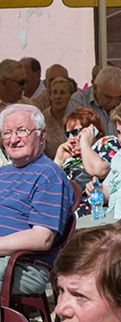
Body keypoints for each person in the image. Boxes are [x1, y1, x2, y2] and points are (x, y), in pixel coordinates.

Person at [0, 103, 74, 295]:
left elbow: (42, 238)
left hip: (22, 266)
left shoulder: (49, 175)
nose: (13, 139)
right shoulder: (3, 173)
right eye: (7, 133)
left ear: (42, 135)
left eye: (22, 131)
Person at [54, 107, 121, 216]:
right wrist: (59, 159)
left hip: (91, 213)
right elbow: (48, 186)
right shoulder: (70, 157)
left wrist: (84, 142)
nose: (71, 139)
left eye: (75, 132)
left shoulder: (106, 142)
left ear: (92, 129)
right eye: (67, 135)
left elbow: (100, 170)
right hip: (62, 212)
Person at [66, 66, 121, 137]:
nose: (113, 103)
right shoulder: (80, 99)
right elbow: (73, 135)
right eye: (108, 97)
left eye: (119, 98)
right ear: (95, 88)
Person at [42, 76, 76, 158]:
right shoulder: (42, 119)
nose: (57, 97)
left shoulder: (77, 118)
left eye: (62, 93)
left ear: (71, 96)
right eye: (54, 92)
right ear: (50, 96)